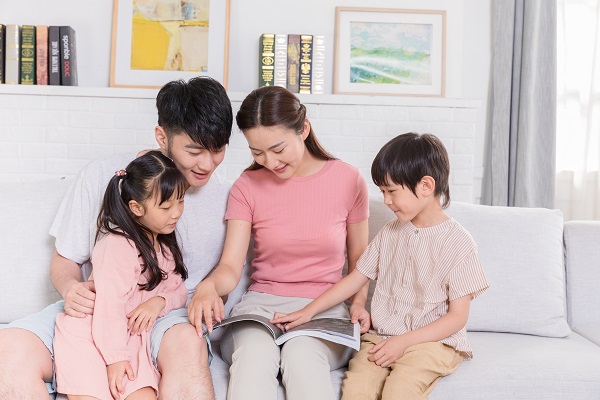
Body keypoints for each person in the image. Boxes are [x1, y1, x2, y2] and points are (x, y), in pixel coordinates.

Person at [0, 76, 233, 400]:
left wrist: (190, 296)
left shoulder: (228, 197)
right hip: (97, 311)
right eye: (194, 150)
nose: (207, 164)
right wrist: (71, 289)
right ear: (162, 136)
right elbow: (65, 260)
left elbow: (220, 278)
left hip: (164, 317)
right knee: (8, 350)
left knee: (186, 344)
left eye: (218, 149)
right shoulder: (103, 175)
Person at [272, 133, 490, 400]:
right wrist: (308, 312)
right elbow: (356, 277)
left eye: (391, 191)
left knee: (400, 390)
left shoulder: (459, 243)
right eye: (382, 192)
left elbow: (457, 318)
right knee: (357, 390)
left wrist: (403, 342)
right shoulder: (390, 232)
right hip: (382, 335)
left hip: (434, 342)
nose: (386, 201)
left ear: (426, 185)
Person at [188, 85, 371, 400]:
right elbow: (230, 265)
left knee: (302, 357)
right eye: (257, 152)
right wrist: (209, 287)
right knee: (254, 357)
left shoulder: (349, 180)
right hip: (260, 309)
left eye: (278, 149)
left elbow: (361, 261)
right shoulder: (247, 186)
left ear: (304, 128)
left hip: (324, 309)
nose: (270, 162)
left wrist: (357, 304)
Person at [54, 151, 189, 400]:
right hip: (92, 332)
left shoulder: (164, 248)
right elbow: (110, 305)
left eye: (180, 201)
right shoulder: (117, 245)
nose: (176, 213)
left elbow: (179, 290)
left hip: (131, 337)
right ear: (136, 208)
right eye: (166, 207)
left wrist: (159, 302)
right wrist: (115, 358)